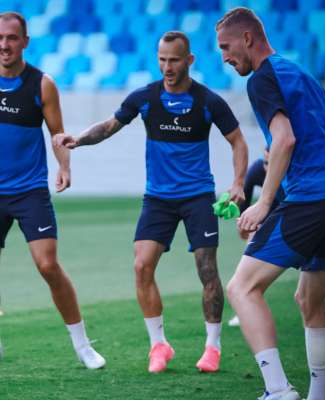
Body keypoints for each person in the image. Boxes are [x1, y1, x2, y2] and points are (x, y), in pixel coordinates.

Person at [54, 31, 248, 374]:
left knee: (206, 270)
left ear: (189, 60)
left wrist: (237, 182)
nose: (167, 67)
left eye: (174, 60)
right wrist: (79, 140)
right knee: (142, 266)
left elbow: (237, 141)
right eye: (162, 60)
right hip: (158, 198)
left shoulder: (208, 101)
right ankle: (159, 345)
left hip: (197, 196)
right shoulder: (145, 97)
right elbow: (110, 126)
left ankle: (212, 347)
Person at [217, 7, 325, 400]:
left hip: (312, 198)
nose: (225, 58)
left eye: (226, 48)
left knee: (242, 289)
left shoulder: (262, 80)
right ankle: (319, 396)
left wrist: (264, 202)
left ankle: (278, 390)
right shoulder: (302, 74)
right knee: (309, 300)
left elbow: (283, 140)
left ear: (248, 39)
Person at [0, 12, 105, 369]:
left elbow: (58, 135)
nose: (5, 45)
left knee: (47, 265)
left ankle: (82, 345)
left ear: (25, 42)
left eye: (12, 38)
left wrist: (65, 166)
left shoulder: (42, 84)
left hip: (30, 191)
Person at [228, 150, 325, 329]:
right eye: (266, 162)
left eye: (274, 159)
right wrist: (246, 225)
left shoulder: (298, 170)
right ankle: (245, 306)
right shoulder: (257, 171)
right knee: (253, 247)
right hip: (277, 215)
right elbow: (244, 219)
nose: (269, 168)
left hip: (305, 211)